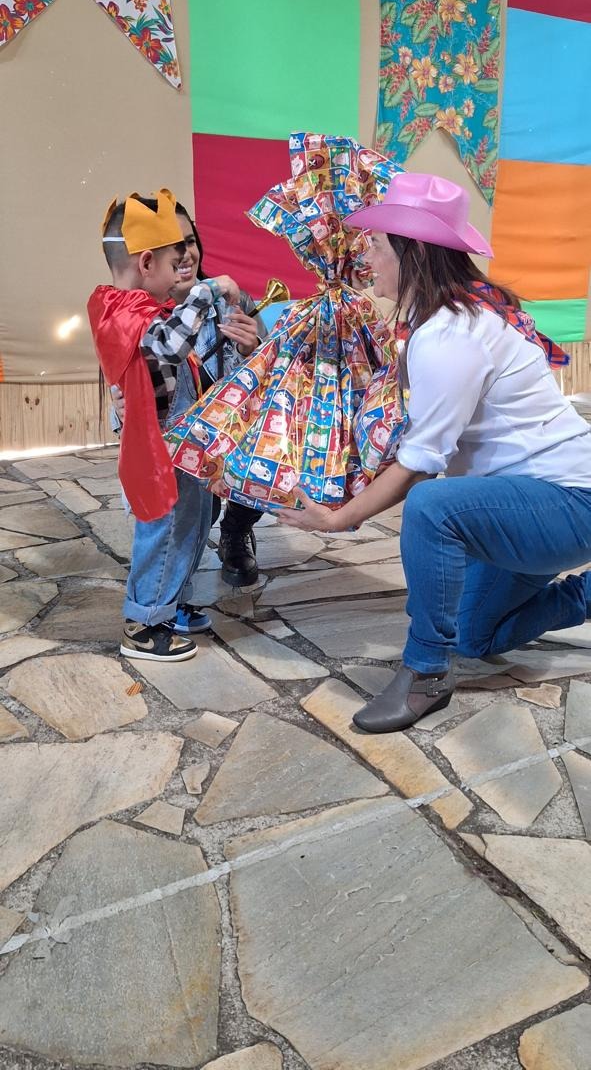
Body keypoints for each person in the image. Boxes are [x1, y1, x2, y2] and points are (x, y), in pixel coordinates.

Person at [280, 171, 591, 732]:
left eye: (376, 244)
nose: (366, 256)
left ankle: (425, 672)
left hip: (569, 501)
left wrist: (338, 520)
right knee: (474, 636)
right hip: (524, 502)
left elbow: (422, 464)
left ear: (415, 251)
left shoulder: (451, 335)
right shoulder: (447, 320)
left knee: (432, 508)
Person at [88, 188, 241, 662]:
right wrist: (209, 290)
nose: (183, 269)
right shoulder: (121, 311)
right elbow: (169, 346)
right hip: (159, 450)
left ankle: (169, 603)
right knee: (168, 528)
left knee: (194, 522)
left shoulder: (137, 308)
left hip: (180, 442)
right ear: (147, 262)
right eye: (176, 261)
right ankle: (145, 622)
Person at [111, 205, 266, 586]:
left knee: (268, 461)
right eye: (172, 245)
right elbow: (120, 384)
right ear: (148, 260)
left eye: (190, 241)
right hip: (177, 448)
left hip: (232, 434)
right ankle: (164, 595)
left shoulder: (234, 301)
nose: (185, 254)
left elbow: (275, 379)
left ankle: (235, 530)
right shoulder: (136, 312)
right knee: (189, 516)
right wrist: (123, 405)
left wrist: (253, 349)